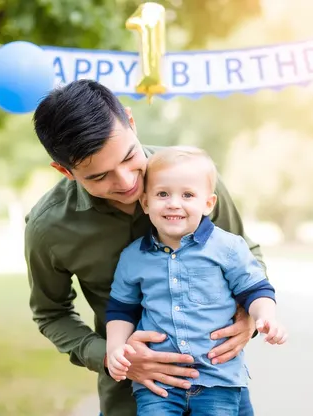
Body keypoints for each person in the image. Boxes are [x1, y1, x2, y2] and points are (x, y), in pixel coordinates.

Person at [25, 79, 267, 416]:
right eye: (98, 177)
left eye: (128, 157)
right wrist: (114, 356)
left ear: (131, 121)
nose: (125, 182)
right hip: (130, 398)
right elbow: (51, 313)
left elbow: (245, 253)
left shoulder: (192, 179)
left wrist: (248, 319)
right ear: (64, 171)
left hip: (217, 387)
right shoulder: (48, 228)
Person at [105, 147, 287, 415]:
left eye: (188, 195)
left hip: (218, 379)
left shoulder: (227, 247)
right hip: (159, 385)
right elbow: (121, 309)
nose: (174, 203)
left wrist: (265, 316)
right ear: (145, 203)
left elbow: (255, 289)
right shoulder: (133, 257)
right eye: (162, 194)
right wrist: (115, 348)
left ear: (208, 204)